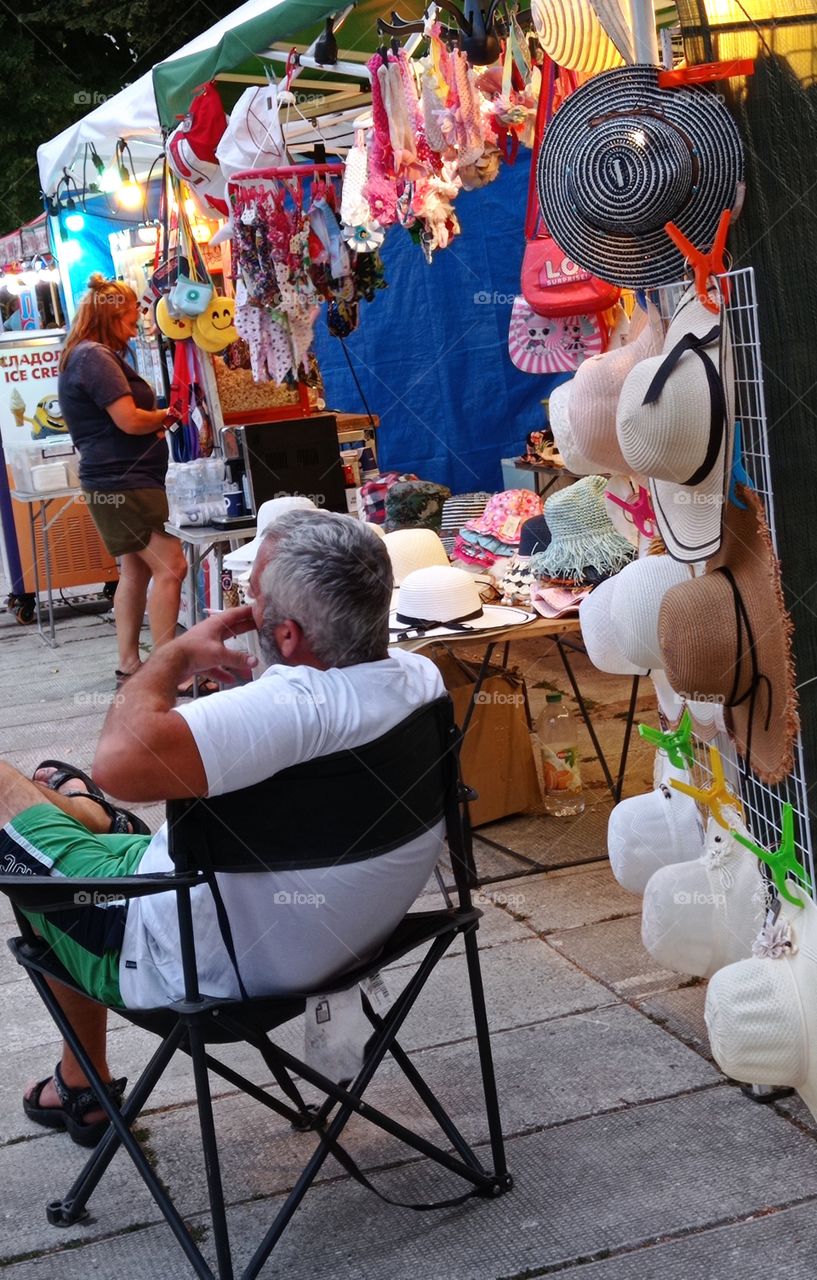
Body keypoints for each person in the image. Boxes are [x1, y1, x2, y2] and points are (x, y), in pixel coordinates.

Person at [0, 511, 445, 1145]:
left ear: (286, 634)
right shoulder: (422, 680)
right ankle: (81, 815)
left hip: (188, 965)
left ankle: (84, 1083)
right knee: (70, 804)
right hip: (348, 944)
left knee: (24, 822)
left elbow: (118, 762)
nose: (242, 610)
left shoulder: (287, 710)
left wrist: (174, 654)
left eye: (252, 598)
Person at [58, 275, 188, 687]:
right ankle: (168, 674)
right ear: (112, 315)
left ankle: (130, 664)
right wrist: (165, 416)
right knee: (172, 566)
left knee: (136, 569)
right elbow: (129, 420)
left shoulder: (84, 355)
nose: (136, 326)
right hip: (124, 481)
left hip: (117, 480)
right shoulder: (94, 358)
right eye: (132, 317)